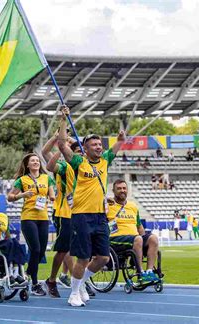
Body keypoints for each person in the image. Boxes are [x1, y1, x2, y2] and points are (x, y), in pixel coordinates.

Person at [58, 105, 126, 307]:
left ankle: (80, 285)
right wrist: (63, 119)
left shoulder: (105, 160)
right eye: (93, 145)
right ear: (85, 149)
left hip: (100, 217)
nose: (98, 147)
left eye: (99, 144)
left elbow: (116, 146)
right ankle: (73, 294)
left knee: (103, 258)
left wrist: (120, 140)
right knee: (83, 258)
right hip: (81, 216)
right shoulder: (79, 163)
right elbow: (62, 145)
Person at [8, 153, 55, 296]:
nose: (35, 162)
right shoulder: (22, 180)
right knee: (35, 249)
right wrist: (22, 195)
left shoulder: (46, 178)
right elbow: (10, 197)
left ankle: (28, 272)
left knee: (41, 251)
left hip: (43, 217)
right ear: (27, 165)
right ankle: (34, 283)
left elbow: (52, 194)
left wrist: (53, 197)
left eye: (37, 160)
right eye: (32, 161)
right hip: (28, 217)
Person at [43, 133, 84, 298]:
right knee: (63, 249)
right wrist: (59, 142)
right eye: (77, 153)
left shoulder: (87, 167)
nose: (80, 156)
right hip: (64, 212)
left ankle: (76, 281)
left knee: (82, 250)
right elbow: (49, 162)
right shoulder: (65, 167)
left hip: (82, 213)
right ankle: (53, 280)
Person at [107, 179, 159, 283]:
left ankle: (149, 271)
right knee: (138, 239)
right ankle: (140, 273)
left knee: (153, 238)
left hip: (135, 238)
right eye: (119, 188)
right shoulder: (108, 205)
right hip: (115, 239)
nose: (122, 190)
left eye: (124, 188)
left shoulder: (133, 206)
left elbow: (139, 227)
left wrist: (145, 241)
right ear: (113, 190)